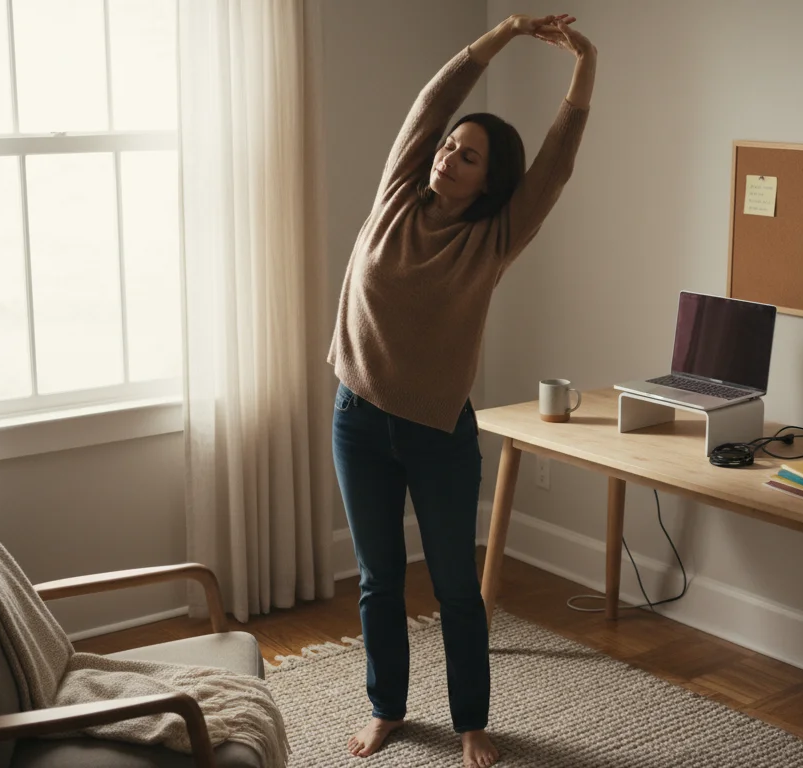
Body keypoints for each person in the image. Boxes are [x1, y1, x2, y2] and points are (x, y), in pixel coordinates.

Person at [327, 12, 596, 768]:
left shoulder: (495, 237)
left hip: (437, 431)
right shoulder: (397, 197)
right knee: (380, 580)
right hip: (356, 416)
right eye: (449, 146)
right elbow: (430, 103)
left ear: (490, 178)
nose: (447, 155)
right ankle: (387, 709)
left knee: (455, 587)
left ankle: (471, 722)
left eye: (467, 155)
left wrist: (585, 66)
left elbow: (558, 160)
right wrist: (504, 32)